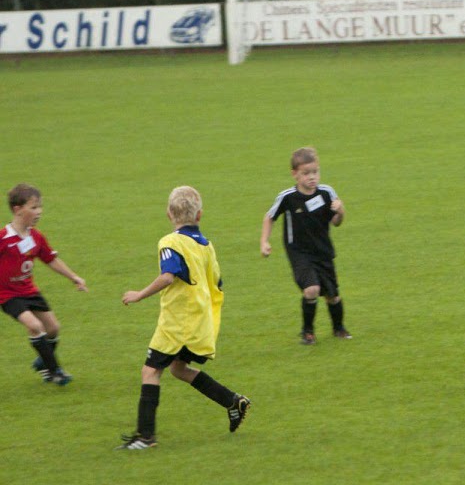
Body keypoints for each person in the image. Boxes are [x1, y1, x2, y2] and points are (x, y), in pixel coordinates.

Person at [118, 186, 250, 450]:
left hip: (177, 322)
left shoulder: (170, 242)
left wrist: (139, 294)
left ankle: (145, 437)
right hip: (199, 320)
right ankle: (232, 401)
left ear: (169, 214)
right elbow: (217, 282)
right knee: (178, 369)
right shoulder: (207, 246)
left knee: (150, 371)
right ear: (199, 215)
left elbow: (168, 276)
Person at [260, 146, 352, 345]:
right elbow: (269, 217)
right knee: (311, 289)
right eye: (306, 173)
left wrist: (341, 211)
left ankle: (339, 328)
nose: (312, 177)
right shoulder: (287, 197)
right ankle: (307, 332)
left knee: (332, 295)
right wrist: (264, 241)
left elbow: (336, 222)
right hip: (299, 252)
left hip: (323, 251)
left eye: (315, 172)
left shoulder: (327, 193)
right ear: (295, 174)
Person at [1, 184, 87, 385]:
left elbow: (50, 260)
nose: (38, 212)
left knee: (53, 328)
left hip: (29, 291)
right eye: (33, 208)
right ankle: (54, 371)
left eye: (40, 207)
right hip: (7, 294)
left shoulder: (36, 236)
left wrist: (74, 277)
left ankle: (44, 360)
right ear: (17, 209)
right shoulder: (3, 238)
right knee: (34, 325)